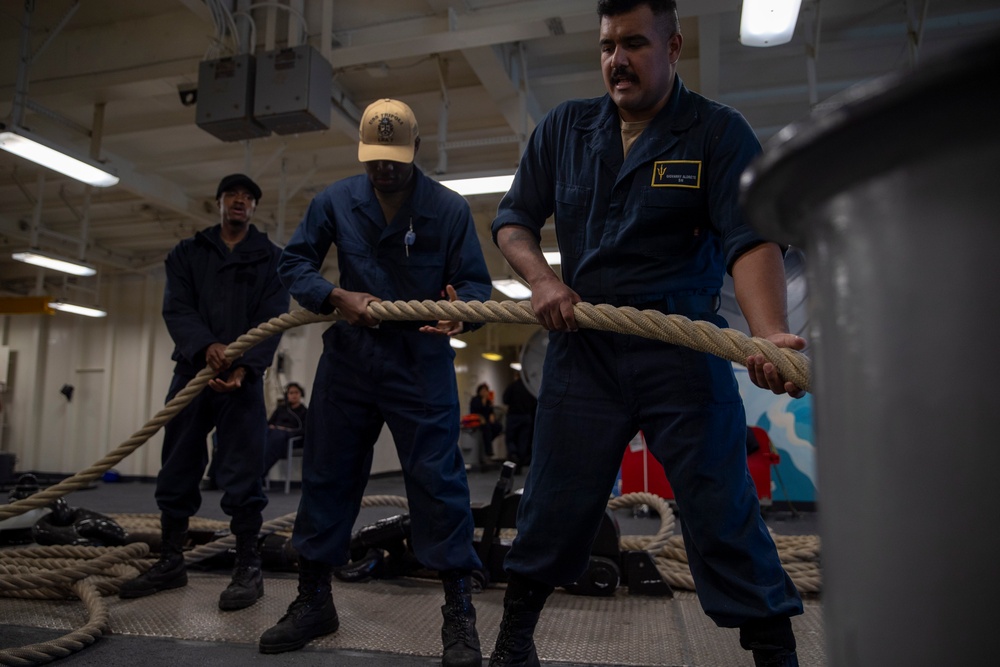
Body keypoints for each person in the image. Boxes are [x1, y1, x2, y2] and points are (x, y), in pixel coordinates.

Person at [484, 2, 806, 666]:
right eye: (606, 45)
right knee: (554, 498)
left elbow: (750, 242)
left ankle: (776, 652)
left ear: (674, 45)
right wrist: (543, 280)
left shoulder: (718, 133)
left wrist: (769, 333)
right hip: (585, 347)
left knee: (722, 502)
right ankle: (513, 641)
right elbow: (513, 221)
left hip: (679, 346)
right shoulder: (565, 129)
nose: (616, 60)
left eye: (633, 43)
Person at [258, 98, 492, 667]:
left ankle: (458, 610)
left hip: (420, 358)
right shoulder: (335, 201)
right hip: (351, 359)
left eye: (393, 157)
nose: (383, 169)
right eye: (373, 159)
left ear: (414, 149)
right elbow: (294, 264)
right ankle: (314, 600)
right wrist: (334, 296)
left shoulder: (449, 209)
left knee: (439, 483)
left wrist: (464, 310)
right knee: (327, 475)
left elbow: (476, 286)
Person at [119, 174, 289, 612]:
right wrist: (206, 347)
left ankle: (248, 567)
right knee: (177, 464)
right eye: (233, 195)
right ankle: (171, 560)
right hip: (192, 374)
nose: (240, 201)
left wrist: (245, 367)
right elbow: (177, 307)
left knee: (243, 471)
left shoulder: (271, 259)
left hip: (243, 381)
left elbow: (274, 316)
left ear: (254, 208)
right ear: (218, 203)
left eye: (249, 197)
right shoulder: (187, 254)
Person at [262, 382, 308, 479]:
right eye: (291, 393)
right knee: (264, 434)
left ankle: (260, 472)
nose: (294, 395)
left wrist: (287, 430)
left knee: (278, 436)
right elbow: (269, 423)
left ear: (301, 394)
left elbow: (305, 430)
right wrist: (272, 427)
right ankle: (256, 470)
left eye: (296, 392)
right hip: (273, 435)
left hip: (290, 438)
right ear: (287, 395)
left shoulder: (304, 411)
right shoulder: (281, 409)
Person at [501, 372, 537, 472]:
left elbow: (505, 399)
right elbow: (535, 402)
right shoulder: (530, 387)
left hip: (513, 416)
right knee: (523, 441)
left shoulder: (512, 386)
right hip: (526, 417)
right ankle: (519, 463)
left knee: (511, 439)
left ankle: (513, 454)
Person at [469, 383, 501, 459]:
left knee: (498, 427)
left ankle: (488, 441)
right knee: (487, 429)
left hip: (487, 421)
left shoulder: (488, 401)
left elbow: (490, 411)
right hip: (479, 420)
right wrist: (480, 417)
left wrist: (492, 415)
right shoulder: (475, 400)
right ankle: (488, 451)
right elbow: (474, 411)